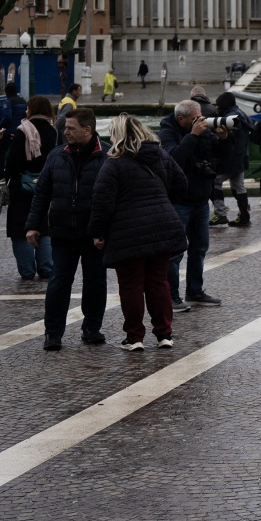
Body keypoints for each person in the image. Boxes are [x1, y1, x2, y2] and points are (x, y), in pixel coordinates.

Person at [91, 116, 187, 350]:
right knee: (158, 281)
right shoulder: (161, 155)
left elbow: (102, 201)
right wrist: (161, 202)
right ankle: (164, 334)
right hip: (163, 225)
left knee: (131, 284)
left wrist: (97, 232)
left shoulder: (114, 163)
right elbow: (182, 185)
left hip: (127, 231)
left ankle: (134, 337)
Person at [27, 108, 108, 350]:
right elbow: (42, 193)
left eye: (71, 128)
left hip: (93, 234)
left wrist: (105, 230)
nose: (66, 132)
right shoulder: (56, 155)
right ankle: (52, 333)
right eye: (65, 128)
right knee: (59, 282)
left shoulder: (107, 156)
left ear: (87, 129)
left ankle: (92, 328)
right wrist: (33, 225)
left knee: (95, 282)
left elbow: (113, 197)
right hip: (62, 232)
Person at [161, 100, 222, 308]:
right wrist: (193, 135)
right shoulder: (167, 132)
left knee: (199, 248)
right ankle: (171, 297)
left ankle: (195, 291)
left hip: (201, 199)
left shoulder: (202, 131)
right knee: (175, 251)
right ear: (181, 119)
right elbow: (173, 159)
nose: (200, 121)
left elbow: (220, 155)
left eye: (201, 116)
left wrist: (224, 138)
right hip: (179, 201)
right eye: (195, 118)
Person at [2, 95, 58, 281]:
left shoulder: (23, 131)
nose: (26, 111)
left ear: (32, 109)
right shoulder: (53, 131)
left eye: (27, 108)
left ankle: (27, 271)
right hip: (46, 185)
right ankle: (46, 268)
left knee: (20, 226)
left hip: (22, 188)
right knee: (44, 225)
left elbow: (12, 163)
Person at [212, 92, 252, 226]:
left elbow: (228, 139)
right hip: (241, 156)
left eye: (219, 105)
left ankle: (220, 214)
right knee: (239, 186)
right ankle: (244, 216)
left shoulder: (230, 118)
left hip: (229, 158)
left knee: (215, 182)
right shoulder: (242, 114)